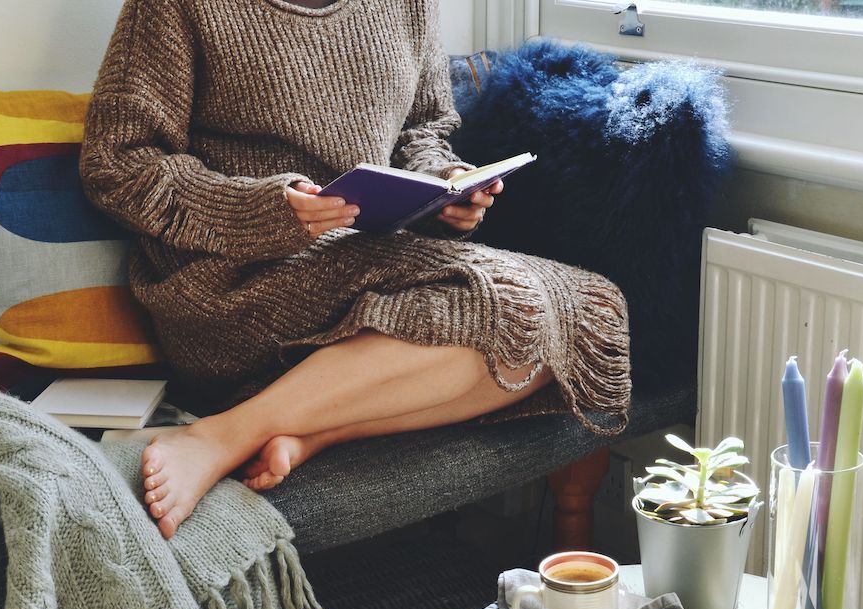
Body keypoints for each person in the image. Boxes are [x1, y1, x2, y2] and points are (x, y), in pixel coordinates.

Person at [81, 0, 631, 538]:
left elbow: (421, 130)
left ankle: (310, 432)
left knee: (590, 308)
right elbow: (117, 164)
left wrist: (445, 186)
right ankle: (220, 435)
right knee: (508, 307)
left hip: (365, 257)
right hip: (230, 280)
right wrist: (264, 210)